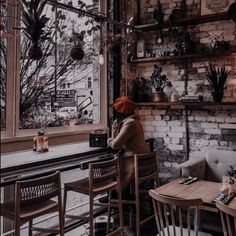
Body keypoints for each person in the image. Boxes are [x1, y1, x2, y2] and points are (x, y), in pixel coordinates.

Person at [108, 96, 150, 193]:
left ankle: (114, 195)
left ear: (120, 112)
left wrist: (108, 140)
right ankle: (117, 197)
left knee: (109, 169)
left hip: (137, 163)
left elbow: (115, 145)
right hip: (143, 160)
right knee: (116, 166)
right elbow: (117, 141)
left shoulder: (129, 123)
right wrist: (114, 130)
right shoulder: (135, 121)